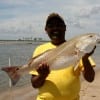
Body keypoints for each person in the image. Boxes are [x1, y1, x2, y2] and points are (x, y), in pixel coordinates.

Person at [30, 13, 96, 100]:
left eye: (59, 25)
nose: (55, 28)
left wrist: (85, 58)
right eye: (51, 26)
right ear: (46, 30)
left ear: (65, 28)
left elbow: (90, 79)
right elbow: (35, 84)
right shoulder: (40, 50)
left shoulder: (79, 49)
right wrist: (42, 75)